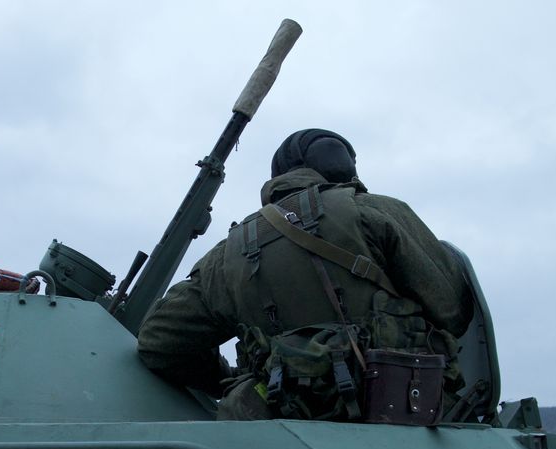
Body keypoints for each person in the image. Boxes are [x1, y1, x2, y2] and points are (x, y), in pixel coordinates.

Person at [137, 128, 474, 421]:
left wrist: (233, 378)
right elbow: (453, 310)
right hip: (403, 415)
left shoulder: (226, 256)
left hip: (278, 431)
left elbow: (159, 341)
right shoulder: (377, 212)